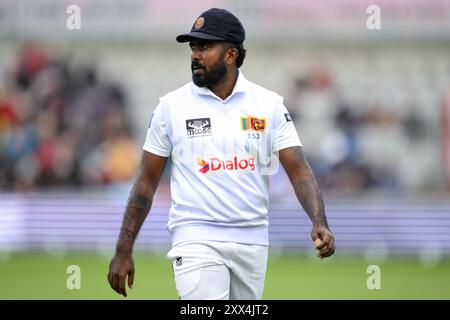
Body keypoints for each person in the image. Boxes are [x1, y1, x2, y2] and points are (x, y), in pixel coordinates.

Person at [108, 7, 335, 300]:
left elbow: (299, 170)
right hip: (194, 236)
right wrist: (123, 250)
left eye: (204, 46)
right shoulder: (170, 107)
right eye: (193, 47)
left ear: (231, 55)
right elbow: (145, 183)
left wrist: (319, 221)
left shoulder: (269, 105)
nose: (194, 54)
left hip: (253, 240)